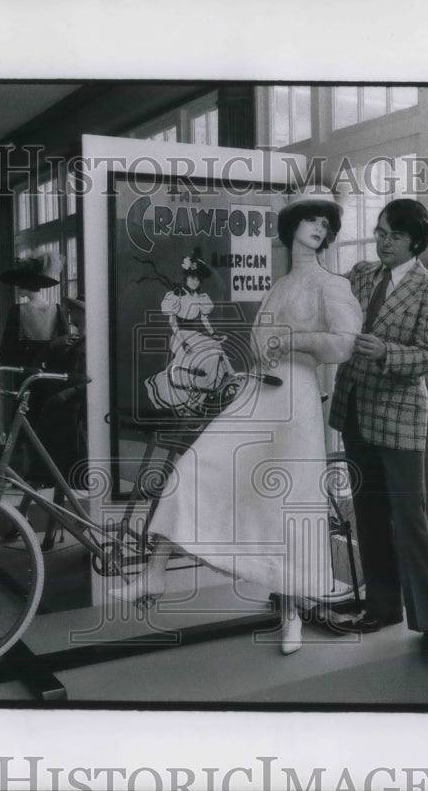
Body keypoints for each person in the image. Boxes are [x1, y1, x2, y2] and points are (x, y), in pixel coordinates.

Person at [127, 185, 362, 655]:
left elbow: (343, 344)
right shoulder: (279, 285)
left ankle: (291, 613)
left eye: (325, 223)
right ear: (291, 226)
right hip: (259, 391)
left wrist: (293, 340)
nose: (319, 228)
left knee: (289, 503)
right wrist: (259, 357)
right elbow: (259, 345)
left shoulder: (331, 285)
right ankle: (155, 569)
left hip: (296, 401)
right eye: (311, 219)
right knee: (198, 465)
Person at [328, 198, 428, 654]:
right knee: (368, 515)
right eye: (379, 232)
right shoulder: (361, 274)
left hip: (400, 418)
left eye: (393, 236)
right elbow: (325, 296)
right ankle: (382, 607)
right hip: (354, 410)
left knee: (410, 519)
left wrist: (386, 353)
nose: (382, 242)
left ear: (415, 243)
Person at [0, 253, 83, 549]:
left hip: (34, 387)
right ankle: (34, 520)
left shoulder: (18, 312)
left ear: (25, 286)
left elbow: (5, 355)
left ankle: (27, 519)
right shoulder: (56, 312)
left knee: (36, 454)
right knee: (47, 455)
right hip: (49, 387)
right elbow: (63, 355)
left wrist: (32, 359)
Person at [143, 249, 228, 416]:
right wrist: (183, 342)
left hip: (195, 335)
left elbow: (204, 320)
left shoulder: (201, 297)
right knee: (192, 362)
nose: (195, 282)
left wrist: (212, 333)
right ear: (186, 278)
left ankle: (203, 398)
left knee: (215, 351)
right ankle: (184, 403)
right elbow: (172, 322)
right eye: (192, 278)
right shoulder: (176, 296)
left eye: (198, 279)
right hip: (180, 336)